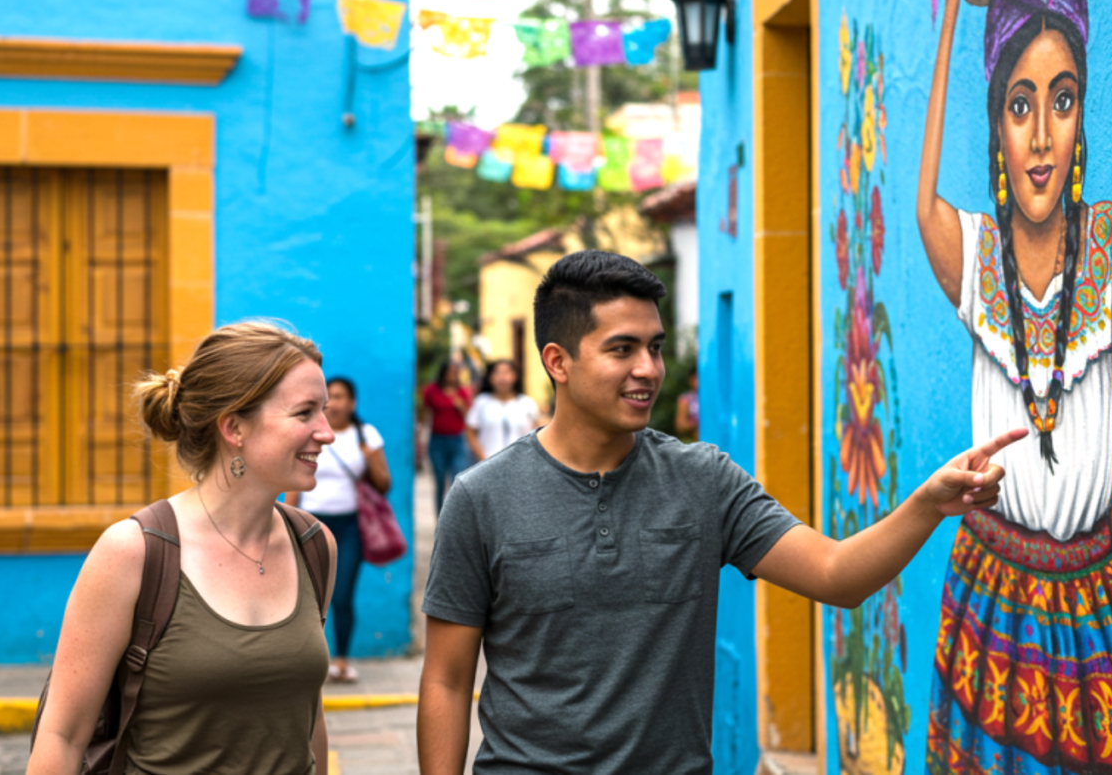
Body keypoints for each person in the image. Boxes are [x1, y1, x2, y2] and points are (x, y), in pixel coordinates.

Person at [416, 250, 1026, 775]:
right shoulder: (481, 498)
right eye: (621, 349)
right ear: (558, 362)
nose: (648, 370)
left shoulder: (703, 479)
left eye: (655, 348)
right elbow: (445, 679)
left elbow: (838, 576)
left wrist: (925, 506)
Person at [914, 0, 1112, 774]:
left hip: (1091, 591)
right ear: (994, 123)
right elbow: (923, 209)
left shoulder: (1108, 245)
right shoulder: (978, 254)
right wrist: (953, 15)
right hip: (992, 583)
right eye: (1018, 105)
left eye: (1061, 101)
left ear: (1081, 117)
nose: (1039, 136)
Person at [28, 321, 335, 775]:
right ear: (234, 427)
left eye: (324, 411)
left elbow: (306, 719)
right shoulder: (134, 553)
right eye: (305, 413)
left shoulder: (314, 545)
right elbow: (63, 737)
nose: (327, 432)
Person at [286, 375, 391, 685]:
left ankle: (341, 661)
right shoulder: (310, 433)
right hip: (310, 525)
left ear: (353, 402)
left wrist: (371, 459)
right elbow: (294, 482)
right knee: (306, 597)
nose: (335, 403)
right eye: (329, 397)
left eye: (341, 396)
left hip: (349, 529)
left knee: (342, 595)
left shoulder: (366, 434)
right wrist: (285, 520)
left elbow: (384, 485)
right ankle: (307, 661)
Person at [464, 359, 542, 463]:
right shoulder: (481, 402)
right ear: (490, 377)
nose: (502, 377)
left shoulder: (527, 403)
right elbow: (470, 433)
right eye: (497, 373)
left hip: (521, 464)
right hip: (487, 465)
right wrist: (483, 458)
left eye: (506, 372)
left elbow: (537, 435)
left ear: (515, 376)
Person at [421, 360, 472, 513]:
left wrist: (461, 406)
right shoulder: (432, 391)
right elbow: (424, 413)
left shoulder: (463, 392)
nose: (452, 375)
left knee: (458, 481)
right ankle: (440, 518)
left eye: (455, 372)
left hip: (458, 441)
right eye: (449, 372)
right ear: (443, 373)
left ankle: (455, 517)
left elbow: (470, 417)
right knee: (439, 481)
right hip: (437, 441)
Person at [673, 367, 699, 443]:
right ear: (690, 380)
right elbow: (680, 426)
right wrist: (697, 422)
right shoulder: (685, 399)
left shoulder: (713, 398)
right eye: (695, 378)